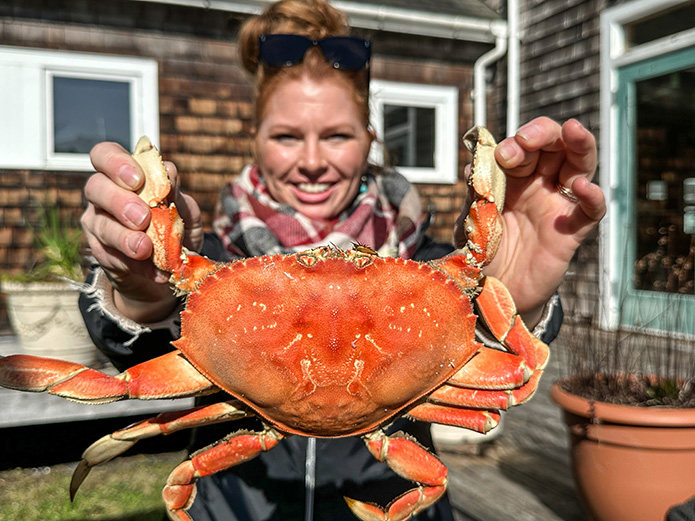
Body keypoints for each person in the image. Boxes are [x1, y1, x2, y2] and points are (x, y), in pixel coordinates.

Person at [78, 0, 606, 519]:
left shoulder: (430, 273)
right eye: (287, 136)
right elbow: (137, 359)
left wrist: (513, 295)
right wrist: (139, 292)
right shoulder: (213, 264)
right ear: (255, 141)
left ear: (369, 141)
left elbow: (512, 368)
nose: (312, 162)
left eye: (336, 135)